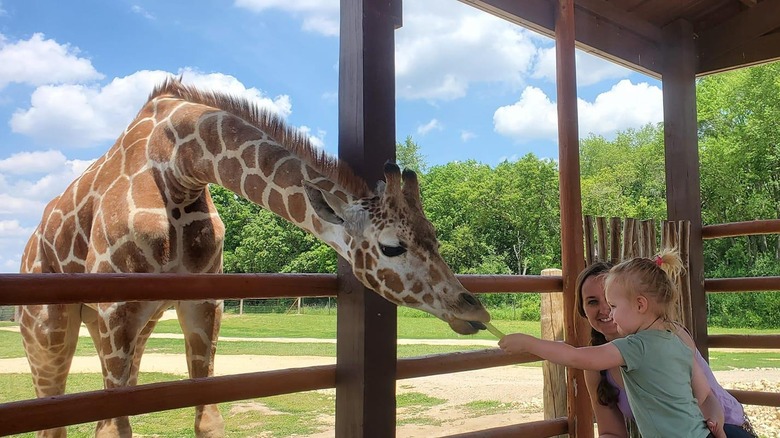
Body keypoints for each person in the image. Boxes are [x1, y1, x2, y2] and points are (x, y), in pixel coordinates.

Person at [499, 250, 726, 438]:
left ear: (640, 305)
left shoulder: (635, 346)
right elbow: (705, 395)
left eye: (614, 306)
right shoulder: (677, 343)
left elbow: (576, 357)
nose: (609, 312)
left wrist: (528, 343)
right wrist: (719, 427)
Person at [575, 261, 757, 438]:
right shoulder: (596, 367)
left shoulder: (669, 336)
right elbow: (611, 433)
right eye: (592, 302)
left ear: (638, 303)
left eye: (611, 301)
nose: (605, 309)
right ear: (583, 310)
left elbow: (702, 401)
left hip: (722, 428)